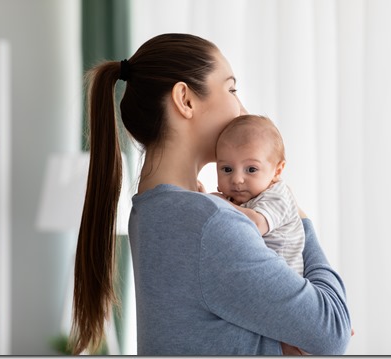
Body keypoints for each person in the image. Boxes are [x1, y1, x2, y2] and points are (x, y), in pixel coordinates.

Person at [70, 33, 352, 355]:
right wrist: (294, 213)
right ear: (185, 100)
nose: (242, 108)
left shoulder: (154, 210)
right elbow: (334, 328)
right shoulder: (208, 222)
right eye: (231, 89)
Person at [212, 114, 305, 275]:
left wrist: (219, 202)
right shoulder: (235, 199)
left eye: (251, 169)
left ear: (277, 171)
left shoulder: (278, 195)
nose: (237, 179)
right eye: (227, 169)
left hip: (282, 282)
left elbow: (254, 225)